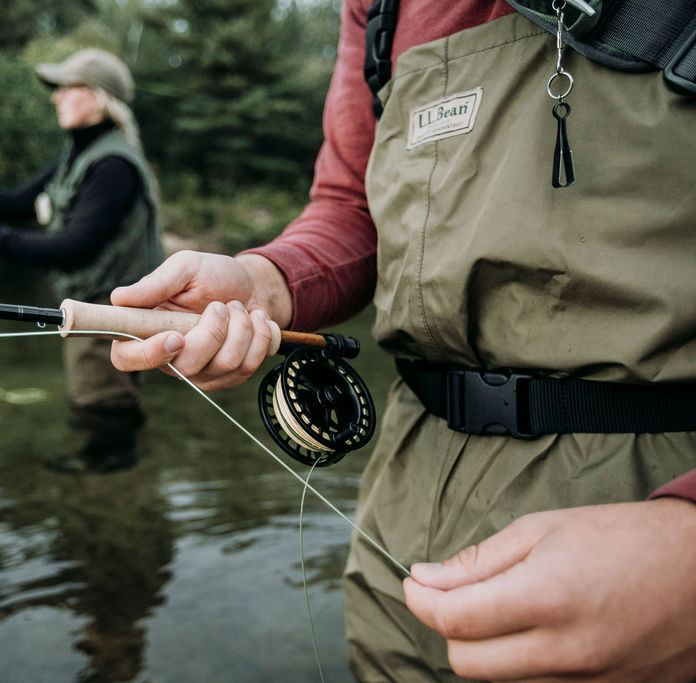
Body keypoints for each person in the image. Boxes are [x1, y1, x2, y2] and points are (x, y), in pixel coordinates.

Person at [106, 1, 696, 680]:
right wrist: (262, 281)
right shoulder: (377, 7)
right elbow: (353, 206)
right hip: (404, 489)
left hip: (648, 491)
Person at [0, 48, 164, 474]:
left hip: (107, 310)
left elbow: (73, 246)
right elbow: (14, 204)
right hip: (90, 304)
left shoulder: (113, 164)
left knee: (99, 403)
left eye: (66, 88)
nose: (55, 97)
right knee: (98, 402)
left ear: (99, 98)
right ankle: (115, 470)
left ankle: (111, 481)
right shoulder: (78, 153)